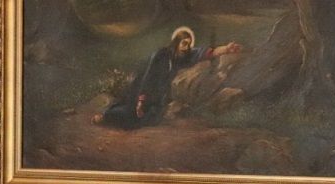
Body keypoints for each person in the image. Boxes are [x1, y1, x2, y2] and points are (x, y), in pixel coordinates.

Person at [94, 26, 241, 129]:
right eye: (184, 43)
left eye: (189, 44)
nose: (187, 47)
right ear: (176, 42)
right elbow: (148, 77)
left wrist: (226, 49)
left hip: (158, 97)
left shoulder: (183, 56)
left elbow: (206, 53)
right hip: (142, 90)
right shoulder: (161, 55)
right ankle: (106, 116)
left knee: (149, 120)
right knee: (130, 113)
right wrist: (141, 101)